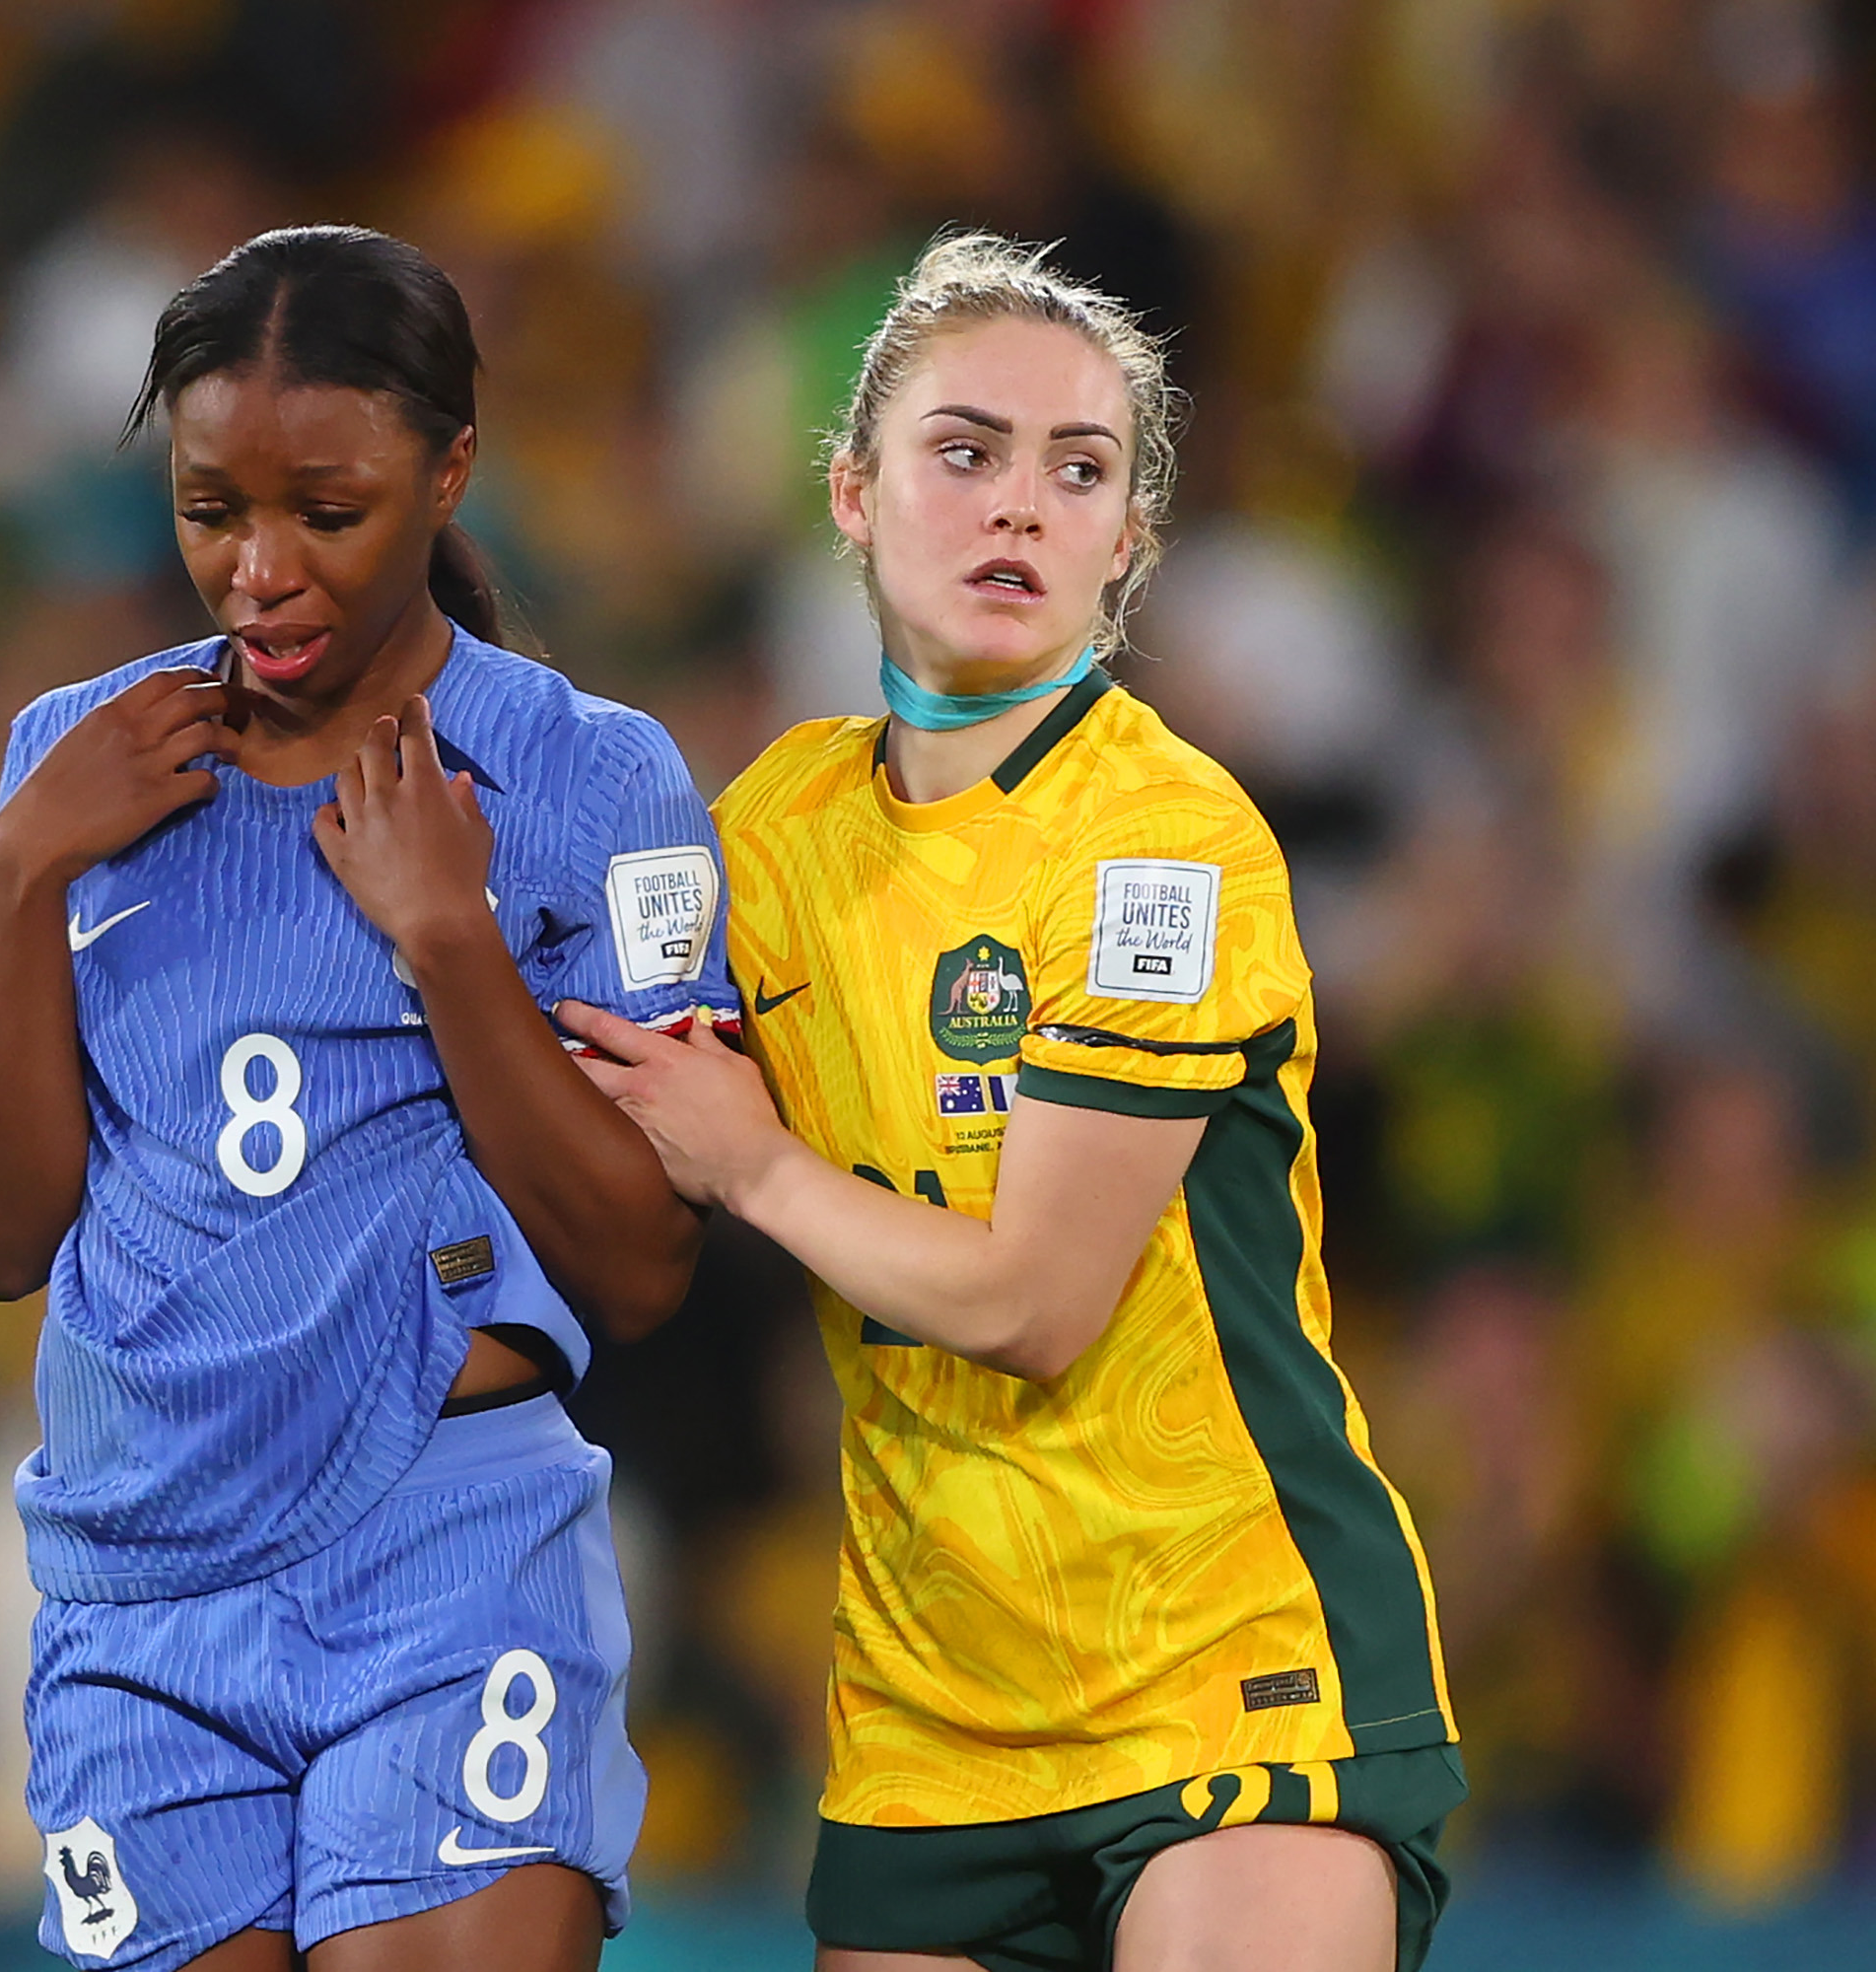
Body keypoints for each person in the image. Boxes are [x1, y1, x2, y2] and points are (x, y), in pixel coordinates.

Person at [567, 234, 1463, 1972]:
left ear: (1127, 540)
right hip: (930, 1714)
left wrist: (753, 1163)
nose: (1020, 508)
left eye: (1080, 470)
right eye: (966, 452)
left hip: (1227, 1664)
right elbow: (598, 1092)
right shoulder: (773, 832)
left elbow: (1034, 1303)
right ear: (853, 492)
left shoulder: (1164, 843)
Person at [0, 226, 733, 1972]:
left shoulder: (594, 779)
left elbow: (643, 1263)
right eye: (212, 511)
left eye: (328, 511)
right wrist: (16, 874)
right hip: (139, 1582)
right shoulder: (75, 761)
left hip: (449, 1544)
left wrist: (452, 943)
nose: (260, 571)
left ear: (450, 470)